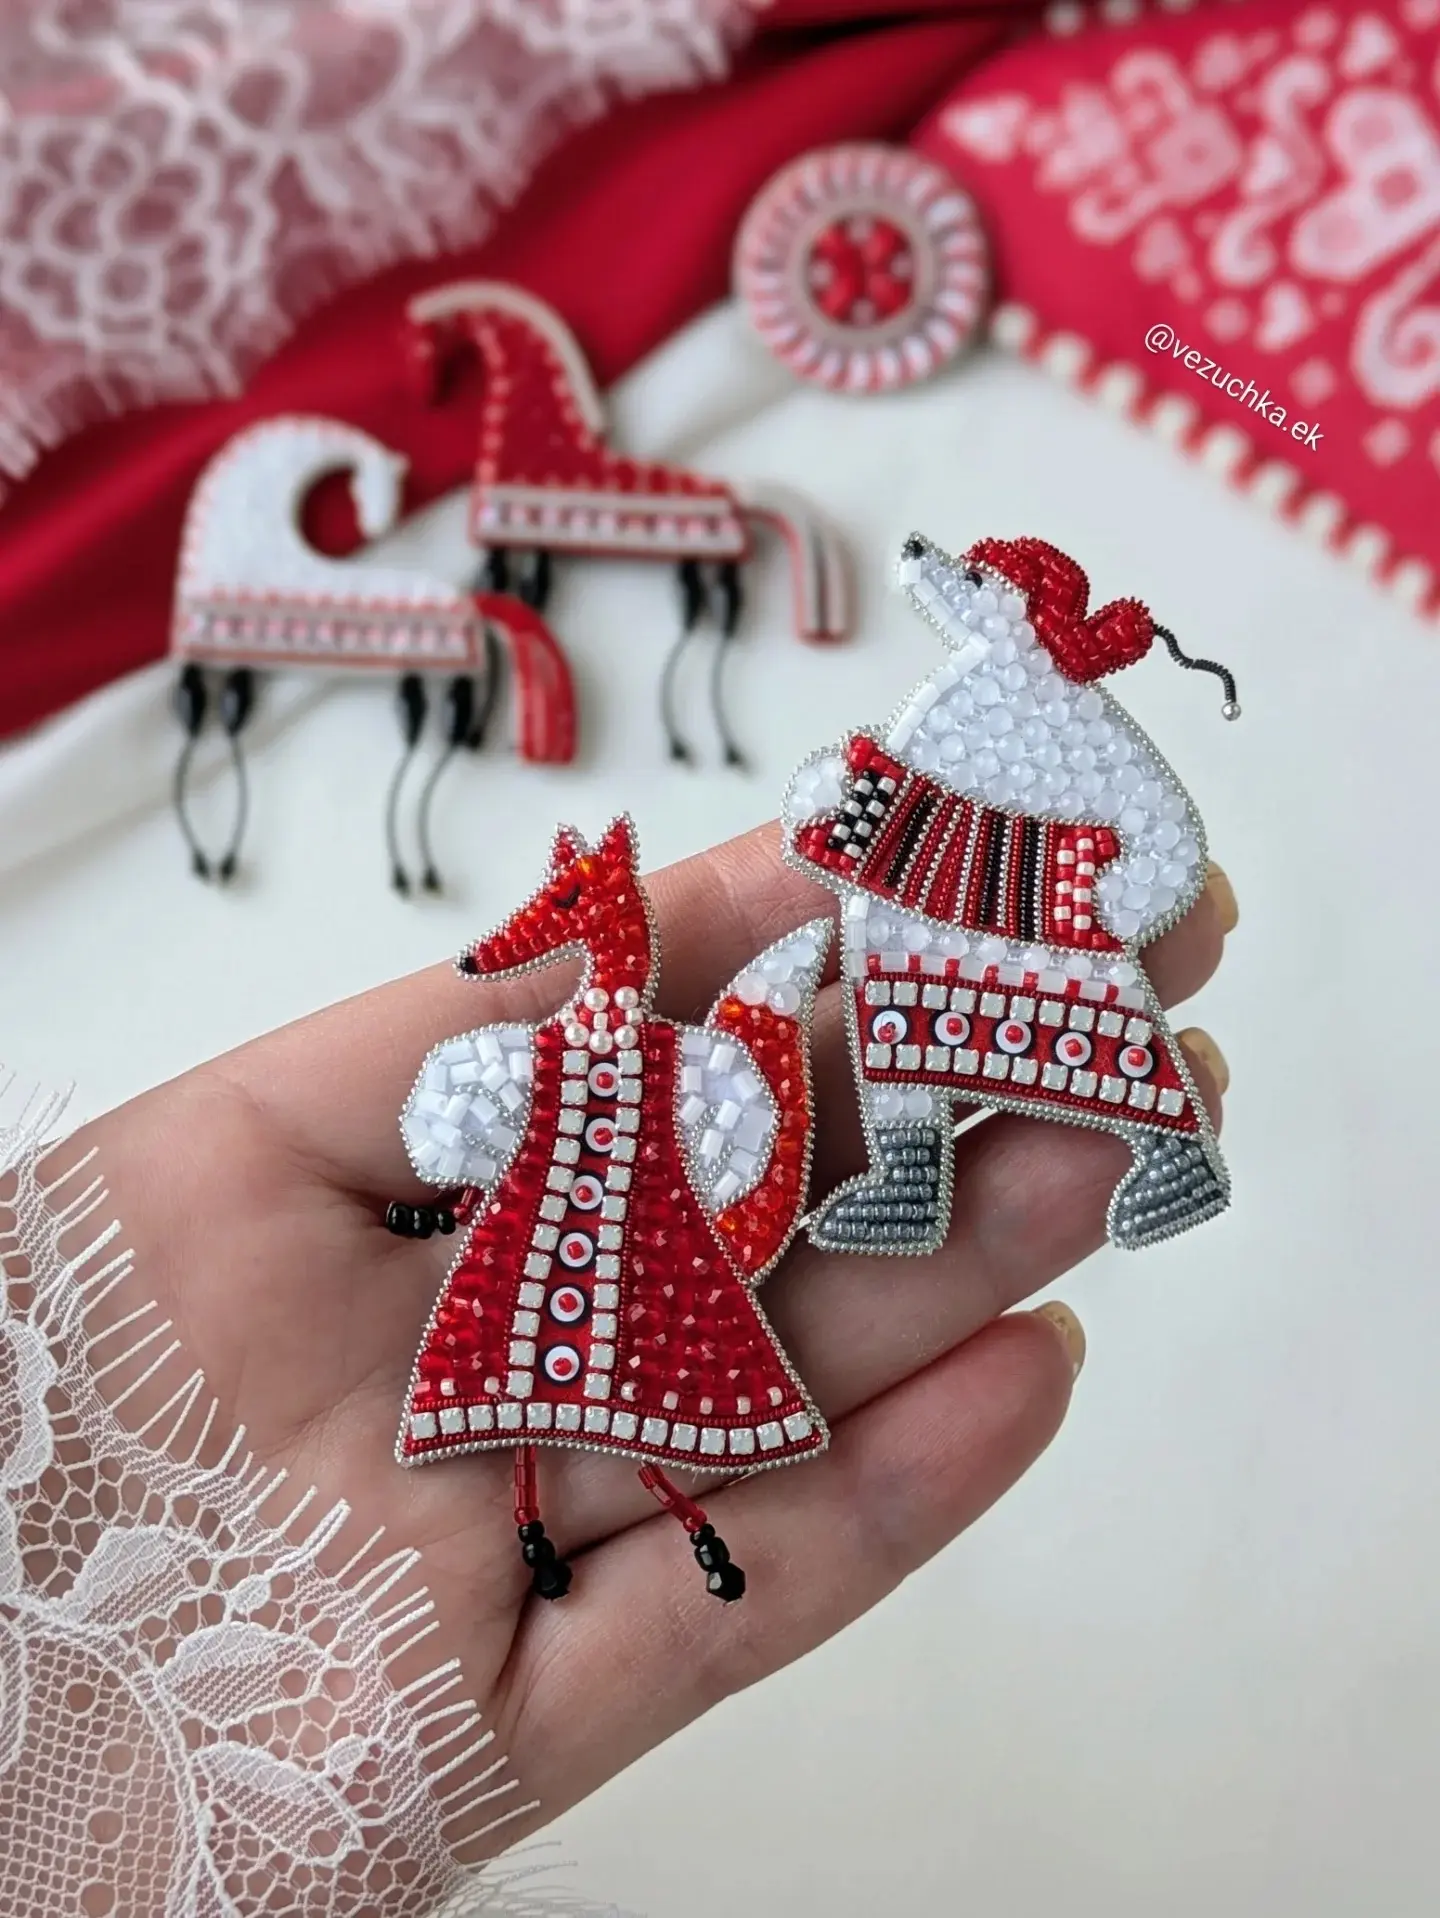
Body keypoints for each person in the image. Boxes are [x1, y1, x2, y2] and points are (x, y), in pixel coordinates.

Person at [71, 822, 1233, 1838]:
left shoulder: (649, 1063)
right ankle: (606, 1507)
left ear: (597, 929)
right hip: (577, 1253)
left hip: (628, 1254)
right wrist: (462, 1201)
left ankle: (617, 1505)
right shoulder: (599, 1059)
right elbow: (507, 1141)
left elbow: (703, 1148)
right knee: (566, 1369)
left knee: (566, 1364)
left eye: (569, 917)